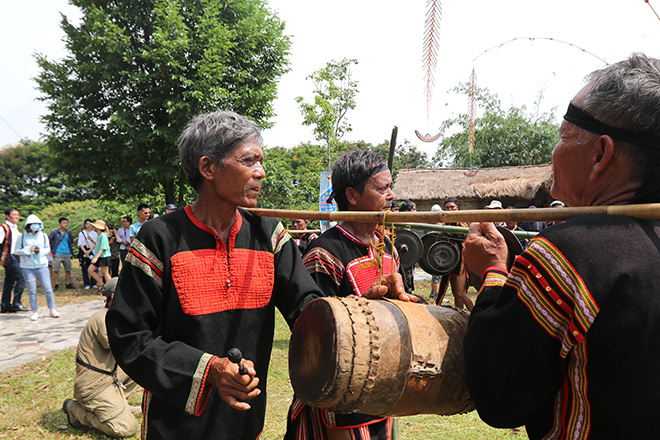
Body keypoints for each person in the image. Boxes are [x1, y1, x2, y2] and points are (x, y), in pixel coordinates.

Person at [107, 111, 411, 440]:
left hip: (245, 422)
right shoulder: (159, 238)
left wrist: (365, 310)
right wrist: (209, 370)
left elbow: (310, 312)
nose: (261, 173)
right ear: (208, 168)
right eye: (249, 161)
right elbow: (130, 335)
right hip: (176, 424)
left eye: (260, 161)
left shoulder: (269, 235)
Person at [462, 54, 660, 439]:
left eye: (564, 136)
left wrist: (492, 273)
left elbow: (499, 394)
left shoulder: (572, 253)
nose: (554, 153)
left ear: (601, 154)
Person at [285, 150, 418, 440]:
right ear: (352, 196)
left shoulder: (387, 247)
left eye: (390, 187)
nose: (391, 195)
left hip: (380, 390)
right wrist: (362, 308)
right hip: (338, 400)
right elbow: (312, 334)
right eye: (381, 188)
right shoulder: (325, 254)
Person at [62, 277, 141, 438]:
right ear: (113, 297)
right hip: (94, 386)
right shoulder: (102, 318)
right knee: (127, 429)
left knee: (141, 365)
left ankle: (119, 405)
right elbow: (122, 345)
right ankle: (76, 411)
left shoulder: (116, 316)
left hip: (109, 377)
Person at [15, 214, 60, 321]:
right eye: (33, 224)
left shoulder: (43, 235)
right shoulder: (22, 236)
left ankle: (52, 309)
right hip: (27, 266)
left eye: (37, 224)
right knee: (32, 290)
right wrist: (27, 250)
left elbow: (47, 248)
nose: (36, 226)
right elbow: (16, 251)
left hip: (41, 264)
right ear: (28, 225)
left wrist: (40, 251)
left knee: (48, 288)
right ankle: (34, 311)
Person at [433, 197, 473, 310]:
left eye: (452, 207)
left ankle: (474, 313)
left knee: (460, 293)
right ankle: (460, 315)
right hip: (450, 261)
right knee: (456, 294)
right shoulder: (447, 222)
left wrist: (444, 229)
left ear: (457, 208)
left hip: (461, 261)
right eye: (447, 207)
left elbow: (462, 236)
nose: (449, 209)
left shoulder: (462, 222)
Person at [1, 207, 27, 313]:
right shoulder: (3, 228)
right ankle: (17, 303)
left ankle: (5, 305)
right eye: (14, 214)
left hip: (15, 256)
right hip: (9, 257)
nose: (17, 216)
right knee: (22, 278)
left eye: (17, 214)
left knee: (10, 281)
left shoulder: (15, 228)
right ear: (7, 216)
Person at [49, 217, 75, 290]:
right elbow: (48, 240)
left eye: (66, 223)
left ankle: (68, 283)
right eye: (63, 223)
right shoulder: (55, 232)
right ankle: (56, 284)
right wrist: (50, 251)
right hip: (57, 253)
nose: (65, 224)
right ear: (59, 224)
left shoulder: (68, 232)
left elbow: (71, 242)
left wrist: (71, 252)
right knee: (56, 270)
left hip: (67, 253)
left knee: (68, 269)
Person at [89, 220, 112, 290]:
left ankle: (112, 288)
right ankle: (101, 284)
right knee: (90, 270)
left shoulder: (103, 235)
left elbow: (103, 248)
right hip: (99, 256)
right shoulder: (99, 235)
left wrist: (96, 257)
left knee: (105, 273)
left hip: (104, 257)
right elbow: (98, 245)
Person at [78, 219, 98, 290]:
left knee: (94, 267)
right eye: (87, 224)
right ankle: (86, 283)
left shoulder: (95, 233)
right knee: (85, 268)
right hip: (84, 252)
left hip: (93, 252)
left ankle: (94, 282)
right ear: (84, 225)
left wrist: (89, 251)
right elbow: (80, 244)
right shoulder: (81, 233)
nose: (88, 225)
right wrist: (85, 251)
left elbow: (96, 243)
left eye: (89, 224)